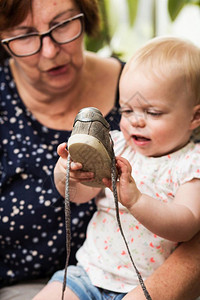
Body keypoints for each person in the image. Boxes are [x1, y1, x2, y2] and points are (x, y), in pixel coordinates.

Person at [33, 36, 200, 300]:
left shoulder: (191, 163)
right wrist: (67, 175)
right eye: (127, 110)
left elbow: (187, 225)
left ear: (195, 117)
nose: (136, 122)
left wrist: (136, 201)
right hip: (88, 273)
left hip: (147, 286)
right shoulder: (116, 144)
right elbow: (81, 195)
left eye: (153, 113)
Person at [0, 0, 124, 299]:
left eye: (62, 24)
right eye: (25, 34)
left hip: (135, 281)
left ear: (86, 15)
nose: (50, 51)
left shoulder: (145, 91)